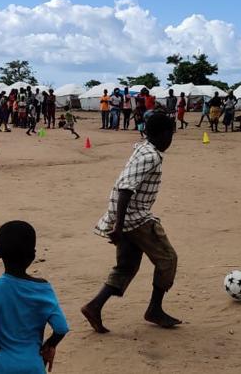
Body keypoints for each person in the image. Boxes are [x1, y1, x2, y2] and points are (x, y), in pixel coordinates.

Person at [81, 113, 179, 334]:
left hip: (123, 218)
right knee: (168, 259)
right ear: (164, 134)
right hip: (135, 218)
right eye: (171, 134)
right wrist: (118, 226)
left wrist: (118, 223)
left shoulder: (143, 147)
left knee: (126, 266)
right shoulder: (151, 156)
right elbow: (126, 187)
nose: (171, 140)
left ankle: (94, 306)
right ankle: (155, 309)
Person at [0, 221, 69, 373]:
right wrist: (49, 345)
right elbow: (61, 328)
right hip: (33, 364)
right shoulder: (43, 289)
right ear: (33, 255)